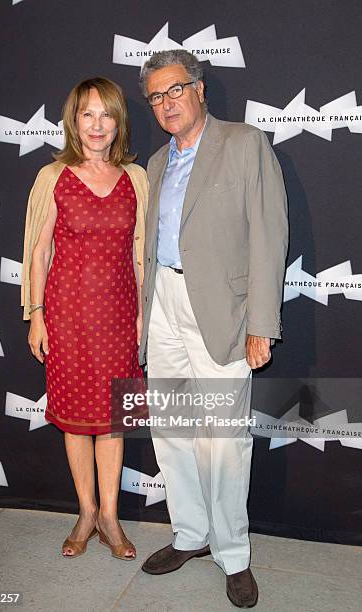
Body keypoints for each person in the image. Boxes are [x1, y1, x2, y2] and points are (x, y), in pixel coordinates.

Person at [138, 50, 288, 608]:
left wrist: (261, 324)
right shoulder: (155, 162)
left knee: (223, 441)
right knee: (173, 431)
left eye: (175, 90)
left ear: (200, 89)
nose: (166, 103)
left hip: (223, 312)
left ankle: (233, 554)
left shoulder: (245, 143)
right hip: (163, 310)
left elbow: (270, 237)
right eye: (156, 96)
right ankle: (190, 535)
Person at [21, 77, 148, 560]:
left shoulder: (136, 179)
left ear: (119, 121)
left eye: (107, 114)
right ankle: (87, 512)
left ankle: (112, 518)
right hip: (68, 317)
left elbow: (143, 257)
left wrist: (142, 317)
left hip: (120, 316)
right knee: (76, 423)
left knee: (114, 421)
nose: (97, 125)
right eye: (87, 115)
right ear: (73, 121)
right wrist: (36, 316)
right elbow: (39, 252)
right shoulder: (53, 176)